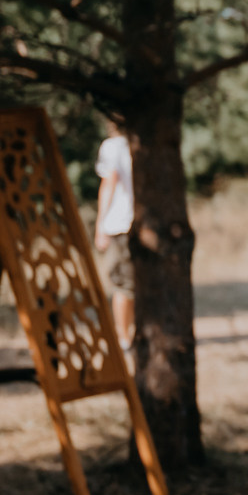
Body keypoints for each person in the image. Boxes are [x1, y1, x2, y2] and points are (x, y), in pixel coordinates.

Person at [94, 120, 135, 345]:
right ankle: (129, 332)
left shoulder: (113, 146)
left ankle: (124, 336)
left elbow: (108, 184)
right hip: (139, 222)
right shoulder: (140, 143)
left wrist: (101, 224)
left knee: (122, 284)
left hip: (121, 223)